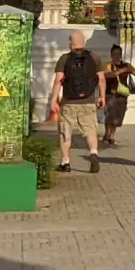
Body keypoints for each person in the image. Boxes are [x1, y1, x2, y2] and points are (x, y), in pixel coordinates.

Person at [49, 29, 105, 174]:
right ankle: (93, 153)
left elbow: (58, 81)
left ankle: (65, 162)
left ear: (70, 43)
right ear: (84, 42)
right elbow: (102, 79)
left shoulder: (64, 59)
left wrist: (54, 100)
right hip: (88, 101)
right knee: (90, 130)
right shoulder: (94, 58)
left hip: (69, 102)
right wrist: (102, 96)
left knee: (65, 133)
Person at [101, 44, 135, 147]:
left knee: (118, 116)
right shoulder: (108, 65)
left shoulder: (127, 65)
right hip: (110, 93)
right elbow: (108, 75)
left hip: (122, 94)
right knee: (109, 115)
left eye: (118, 54)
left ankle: (112, 136)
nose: (116, 56)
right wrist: (121, 71)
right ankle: (107, 134)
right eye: (114, 54)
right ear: (111, 55)